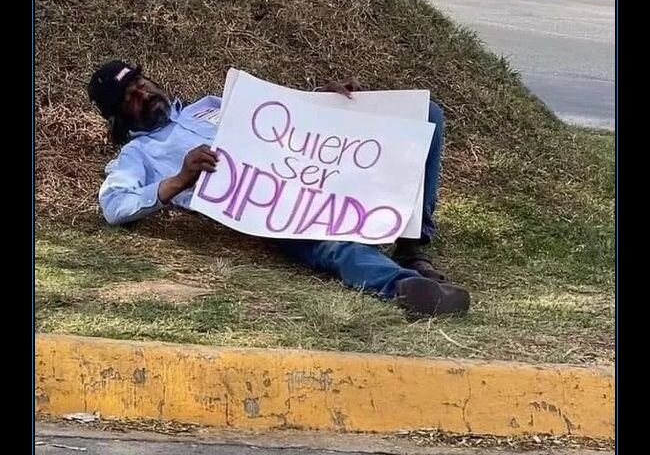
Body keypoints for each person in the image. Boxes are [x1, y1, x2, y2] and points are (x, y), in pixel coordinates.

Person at [88, 60, 470, 317]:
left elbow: (282, 124)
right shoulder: (138, 154)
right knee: (329, 245)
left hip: (317, 169)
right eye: (130, 99)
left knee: (428, 115)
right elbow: (114, 204)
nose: (143, 95)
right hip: (270, 208)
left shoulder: (207, 105)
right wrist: (177, 181)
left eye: (140, 84)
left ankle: (411, 244)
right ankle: (405, 287)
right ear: (119, 116)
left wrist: (324, 101)